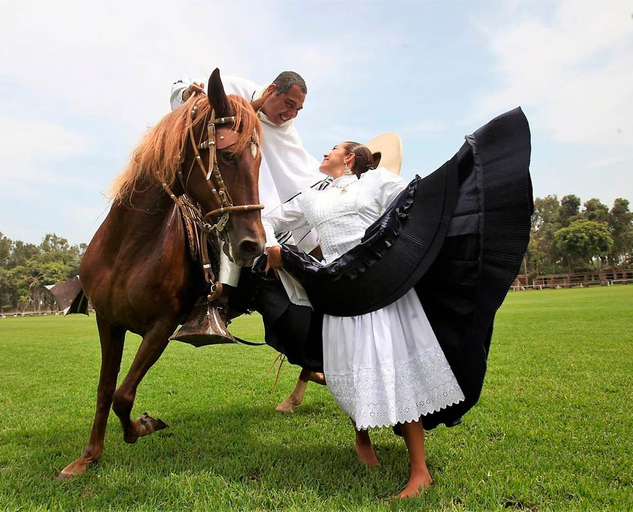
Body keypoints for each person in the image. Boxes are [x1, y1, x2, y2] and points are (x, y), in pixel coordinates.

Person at [263, 141, 466, 498]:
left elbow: (418, 202)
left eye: (333, 148)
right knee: (350, 370)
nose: (324, 153)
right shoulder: (311, 196)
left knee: (396, 369)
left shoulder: (377, 182)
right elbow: (268, 218)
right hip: (339, 293)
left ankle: (420, 470)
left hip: (380, 289)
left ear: (351, 158)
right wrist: (271, 246)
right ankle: (361, 434)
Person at [169, 72, 327, 356]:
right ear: (270, 90)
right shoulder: (233, 88)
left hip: (263, 197)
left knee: (249, 218)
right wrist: (185, 94)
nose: (290, 113)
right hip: (223, 180)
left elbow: (298, 169)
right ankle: (215, 303)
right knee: (232, 215)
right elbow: (184, 88)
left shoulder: (287, 131)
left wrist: (333, 183)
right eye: (288, 103)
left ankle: (225, 302)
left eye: (297, 110)